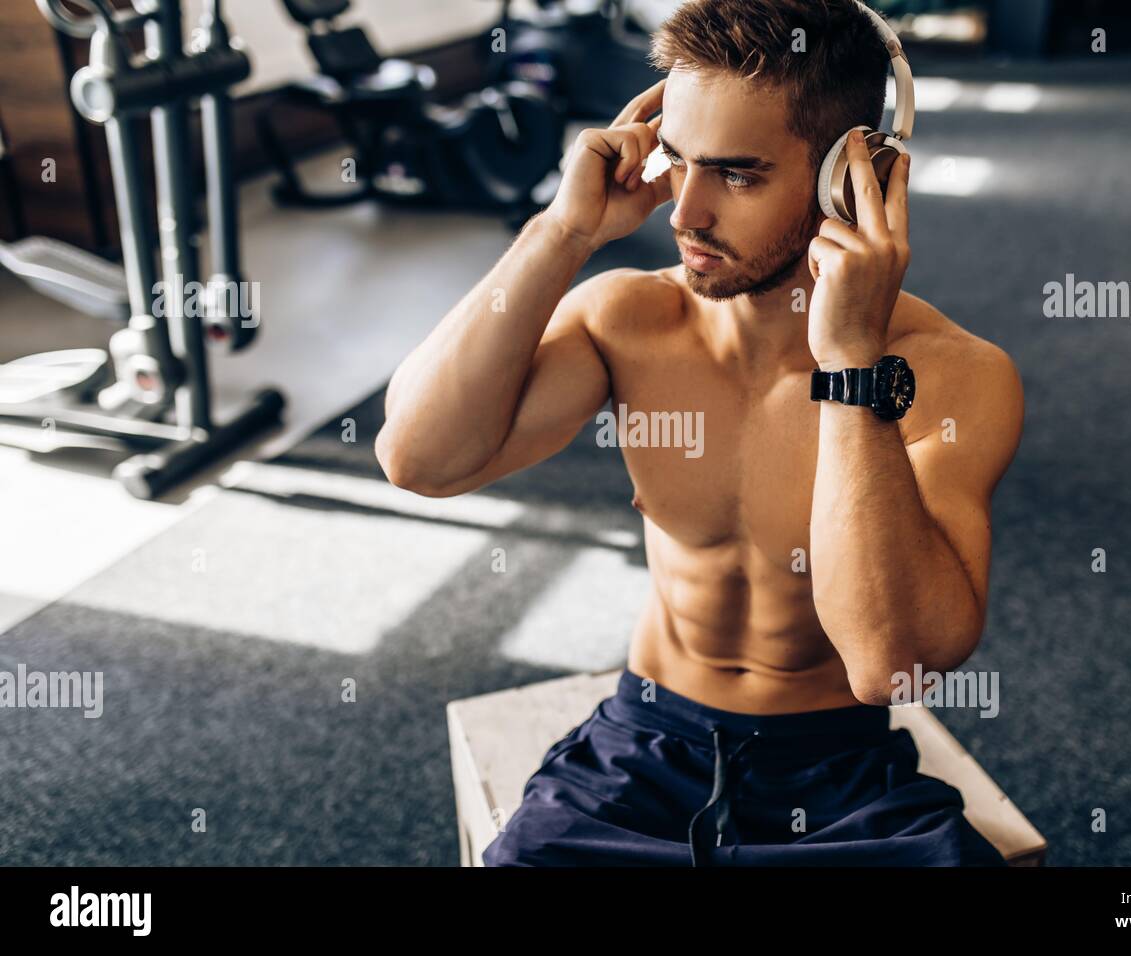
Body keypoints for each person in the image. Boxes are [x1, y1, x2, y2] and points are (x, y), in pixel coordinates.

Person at [377, 0, 1023, 866]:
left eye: (739, 174)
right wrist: (565, 231)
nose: (685, 213)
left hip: (839, 777)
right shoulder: (626, 321)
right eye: (678, 161)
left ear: (851, 177)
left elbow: (887, 665)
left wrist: (850, 365)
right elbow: (418, 459)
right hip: (640, 752)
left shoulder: (953, 375)